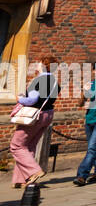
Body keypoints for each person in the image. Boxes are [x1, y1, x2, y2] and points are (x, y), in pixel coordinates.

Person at [9, 54, 58, 189]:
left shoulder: (39, 81)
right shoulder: (55, 82)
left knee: (16, 146)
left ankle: (34, 171)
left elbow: (32, 100)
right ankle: (23, 179)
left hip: (34, 116)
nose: (36, 65)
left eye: (39, 62)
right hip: (47, 115)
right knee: (29, 146)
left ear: (43, 65)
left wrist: (19, 98)